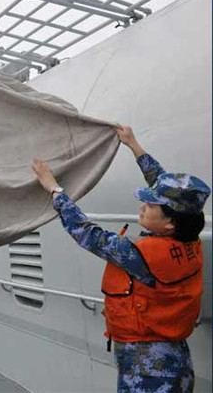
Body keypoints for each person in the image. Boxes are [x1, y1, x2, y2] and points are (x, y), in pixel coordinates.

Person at [31, 125, 209, 392]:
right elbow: (163, 185)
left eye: (149, 205)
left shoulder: (140, 255)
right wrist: (134, 146)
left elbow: (88, 234)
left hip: (147, 368)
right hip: (176, 359)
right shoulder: (189, 238)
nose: (142, 207)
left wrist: (54, 189)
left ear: (170, 223)